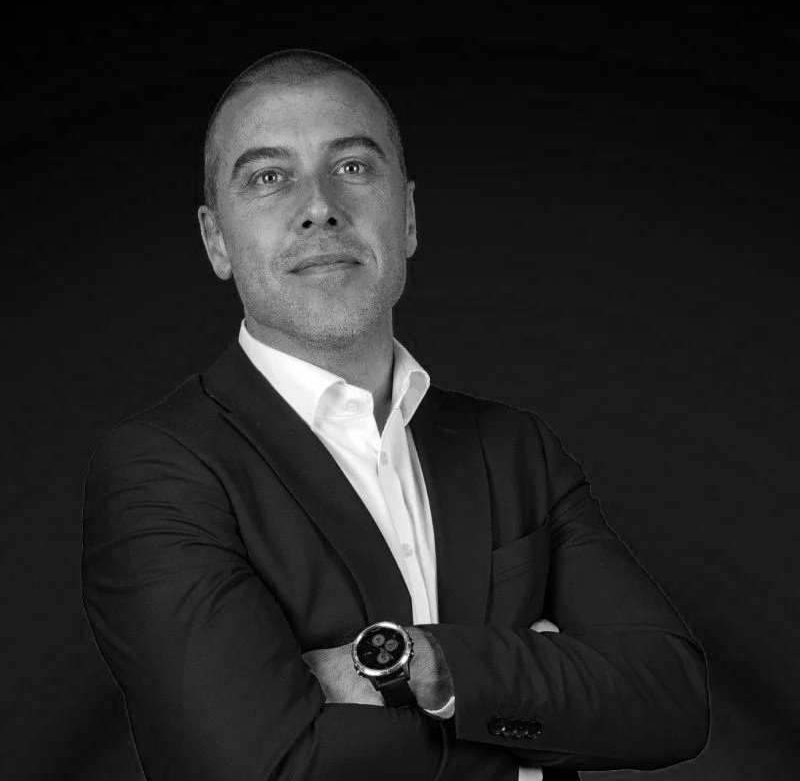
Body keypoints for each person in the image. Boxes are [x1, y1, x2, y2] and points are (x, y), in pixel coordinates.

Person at [81, 49, 709, 781]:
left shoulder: (515, 450)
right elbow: (269, 768)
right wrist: (533, 728)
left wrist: (432, 667)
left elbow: (672, 696)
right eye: (268, 177)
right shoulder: (159, 471)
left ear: (406, 218)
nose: (318, 206)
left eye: (352, 167)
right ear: (216, 240)